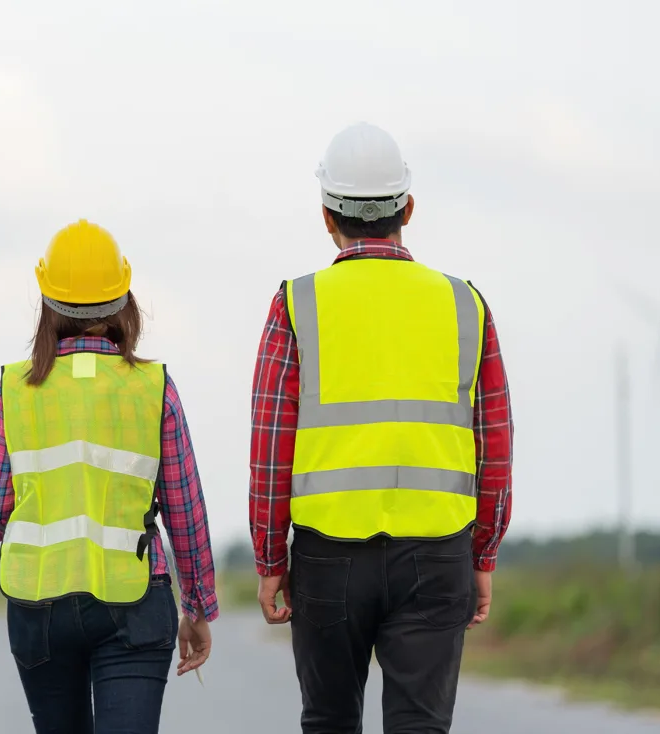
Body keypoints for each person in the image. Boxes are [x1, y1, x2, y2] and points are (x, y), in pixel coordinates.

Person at [248, 123, 515, 733]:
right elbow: (492, 442)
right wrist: (483, 553)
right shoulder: (465, 303)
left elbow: (271, 445)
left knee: (330, 721)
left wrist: (269, 560)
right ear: (408, 208)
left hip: (326, 558)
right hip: (437, 551)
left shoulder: (297, 303)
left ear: (325, 215)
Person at [0, 220, 220, 734]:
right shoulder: (154, 389)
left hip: (40, 607)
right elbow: (185, 510)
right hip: (132, 603)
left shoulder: (15, 390)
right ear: (122, 299)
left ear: (47, 301)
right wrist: (197, 604)